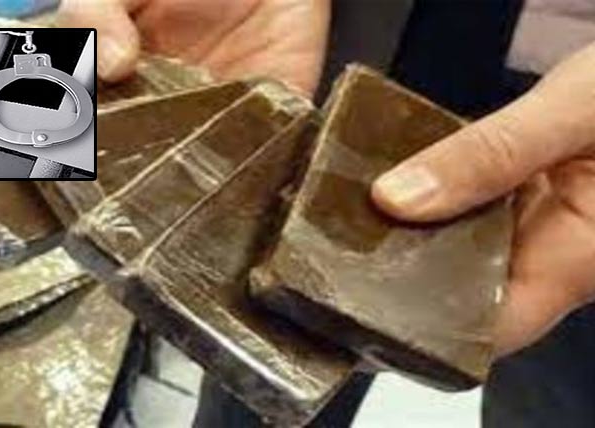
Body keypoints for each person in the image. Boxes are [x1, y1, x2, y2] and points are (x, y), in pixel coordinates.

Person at [61, 0, 595, 362]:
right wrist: (9, 122)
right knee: (254, 334)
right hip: (328, 38)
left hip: (569, 144)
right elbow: (16, 134)